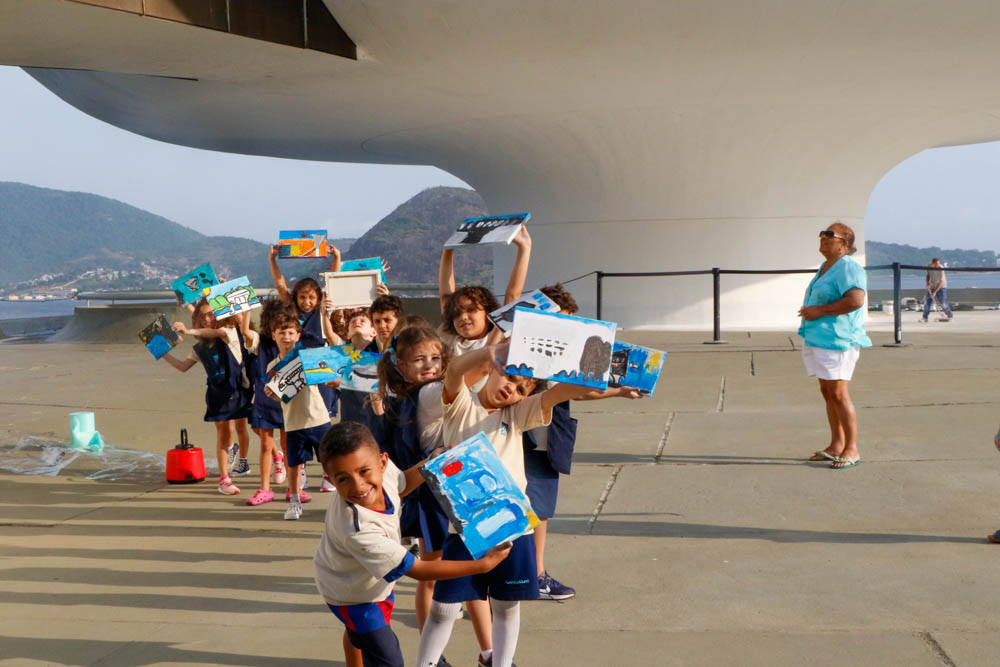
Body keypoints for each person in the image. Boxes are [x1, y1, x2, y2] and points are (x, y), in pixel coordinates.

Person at [415, 343, 593, 667]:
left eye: (520, 388)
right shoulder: (461, 406)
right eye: (509, 376)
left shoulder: (518, 413)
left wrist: (588, 368)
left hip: (514, 526)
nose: (511, 387)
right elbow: (454, 371)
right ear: (494, 370)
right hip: (466, 527)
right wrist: (490, 353)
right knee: (443, 608)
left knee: (507, 606)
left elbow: (557, 394)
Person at [314, 421, 512, 667]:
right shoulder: (357, 529)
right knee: (389, 658)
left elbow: (402, 484)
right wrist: (482, 565)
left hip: (366, 581)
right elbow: (417, 570)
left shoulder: (385, 473)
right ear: (330, 479)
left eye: (364, 472)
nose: (359, 486)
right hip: (351, 596)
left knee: (359, 635)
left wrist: (430, 463)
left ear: (383, 462)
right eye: (343, 479)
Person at [800, 222, 872, 469]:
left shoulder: (848, 267)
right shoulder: (826, 266)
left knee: (839, 394)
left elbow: (855, 300)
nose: (822, 236)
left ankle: (852, 448)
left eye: (829, 234)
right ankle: (836, 445)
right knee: (828, 392)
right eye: (821, 232)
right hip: (820, 338)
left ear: (844, 242)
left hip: (838, 340)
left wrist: (819, 310)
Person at [163, 300, 254, 495]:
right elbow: (182, 366)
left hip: (238, 391)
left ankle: (264, 458)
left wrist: (188, 331)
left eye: (211, 314)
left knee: (247, 428)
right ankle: (224, 479)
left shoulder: (229, 332)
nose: (207, 319)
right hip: (216, 395)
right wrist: (162, 353)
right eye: (203, 316)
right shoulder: (198, 348)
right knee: (223, 434)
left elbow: (216, 332)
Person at [262, 310, 337, 519]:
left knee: (331, 462)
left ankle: (342, 500)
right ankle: (294, 501)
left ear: (298, 335)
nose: (286, 337)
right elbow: (279, 396)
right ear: (273, 335)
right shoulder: (271, 367)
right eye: (281, 332)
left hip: (319, 418)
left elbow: (328, 372)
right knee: (294, 465)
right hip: (293, 423)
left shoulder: (307, 357)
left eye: (290, 333)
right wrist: (272, 394)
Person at [437, 226, 532, 360]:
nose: (463, 317)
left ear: (488, 313)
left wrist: (524, 248)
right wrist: (448, 250)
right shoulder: (451, 340)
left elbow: (512, 294)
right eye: (456, 314)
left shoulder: (496, 336)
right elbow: (445, 296)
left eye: (471, 310)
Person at [245, 299, 292, 506]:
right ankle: (265, 489)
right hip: (265, 399)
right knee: (265, 444)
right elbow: (245, 331)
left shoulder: (292, 342)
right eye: (274, 319)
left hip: (286, 401)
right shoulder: (260, 342)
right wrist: (244, 307)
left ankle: (294, 488)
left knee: (287, 444)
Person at [922, 258, 954, 322]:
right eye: (936, 264)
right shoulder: (929, 266)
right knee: (928, 302)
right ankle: (925, 318)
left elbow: (941, 282)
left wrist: (935, 292)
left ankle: (950, 316)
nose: (938, 265)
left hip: (942, 287)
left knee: (943, 302)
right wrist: (927, 283)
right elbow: (928, 275)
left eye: (939, 263)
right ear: (933, 264)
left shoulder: (941, 269)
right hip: (932, 285)